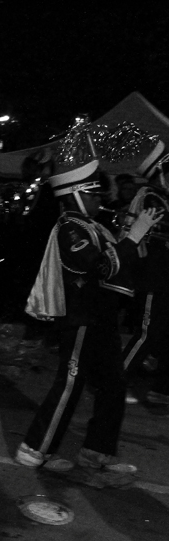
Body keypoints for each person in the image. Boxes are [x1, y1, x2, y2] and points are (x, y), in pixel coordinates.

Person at [18, 151, 161, 474]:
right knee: (70, 383)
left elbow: (124, 267)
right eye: (94, 195)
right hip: (81, 317)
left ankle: (97, 451)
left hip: (103, 316)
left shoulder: (94, 226)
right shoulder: (70, 228)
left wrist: (135, 238)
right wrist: (131, 237)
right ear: (77, 196)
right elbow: (99, 266)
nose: (102, 200)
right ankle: (35, 447)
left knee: (114, 383)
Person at [121, 140, 169, 405]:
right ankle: (115, 379)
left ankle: (162, 388)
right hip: (155, 277)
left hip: (165, 277)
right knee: (146, 333)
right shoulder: (151, 197)